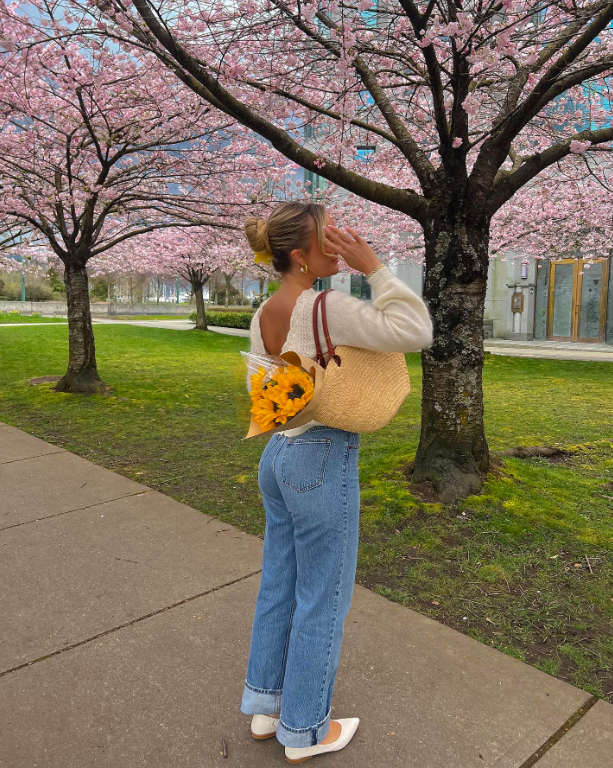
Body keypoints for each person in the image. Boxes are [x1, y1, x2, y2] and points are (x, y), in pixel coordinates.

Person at [240, 201, 433, 764]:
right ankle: (303, 730)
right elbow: (416, 330)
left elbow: (271, 399)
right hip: (322, 457)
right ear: (301, 254)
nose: (341, 244)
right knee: (322, 598)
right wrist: (374, 267)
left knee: (279, 582)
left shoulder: (265, 310)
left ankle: (265, 705)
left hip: (277, 454)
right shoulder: (327, 304)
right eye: (330, 238)